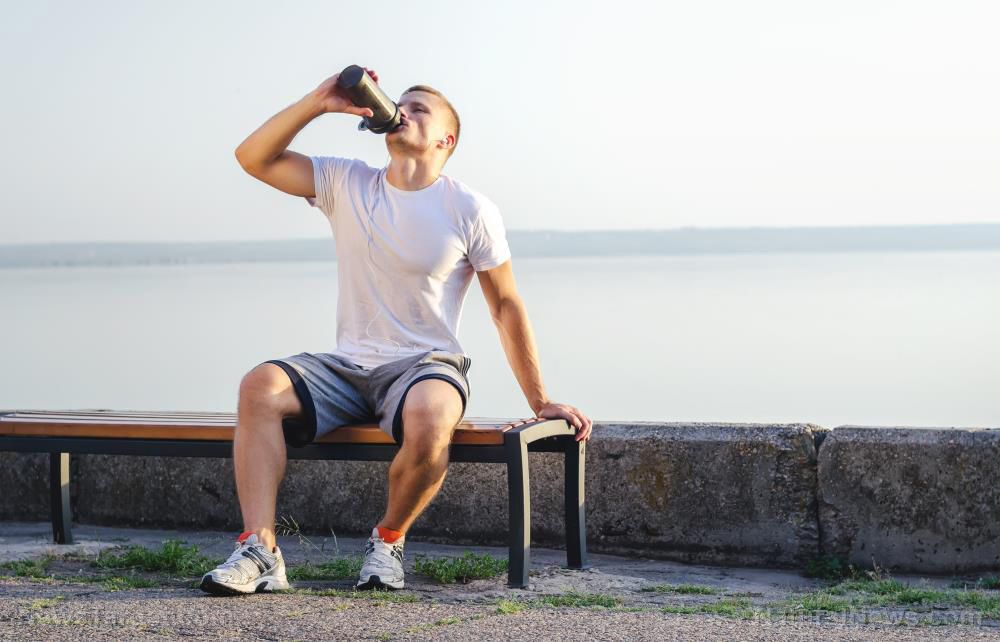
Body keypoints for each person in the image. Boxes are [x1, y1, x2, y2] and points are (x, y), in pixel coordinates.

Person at [200, 67, 593, 596]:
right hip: (347, 366)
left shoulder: (469, 209)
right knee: (259, 385)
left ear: (445, 140)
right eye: (399, 103)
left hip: (425, 365)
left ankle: (387, 541)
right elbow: (253, 158)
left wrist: (540, 400)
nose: (402, 110)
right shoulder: (346, 181)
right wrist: (318, 101)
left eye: (419, 108)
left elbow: (505, 305)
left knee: (432, 414)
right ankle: (260, 550)